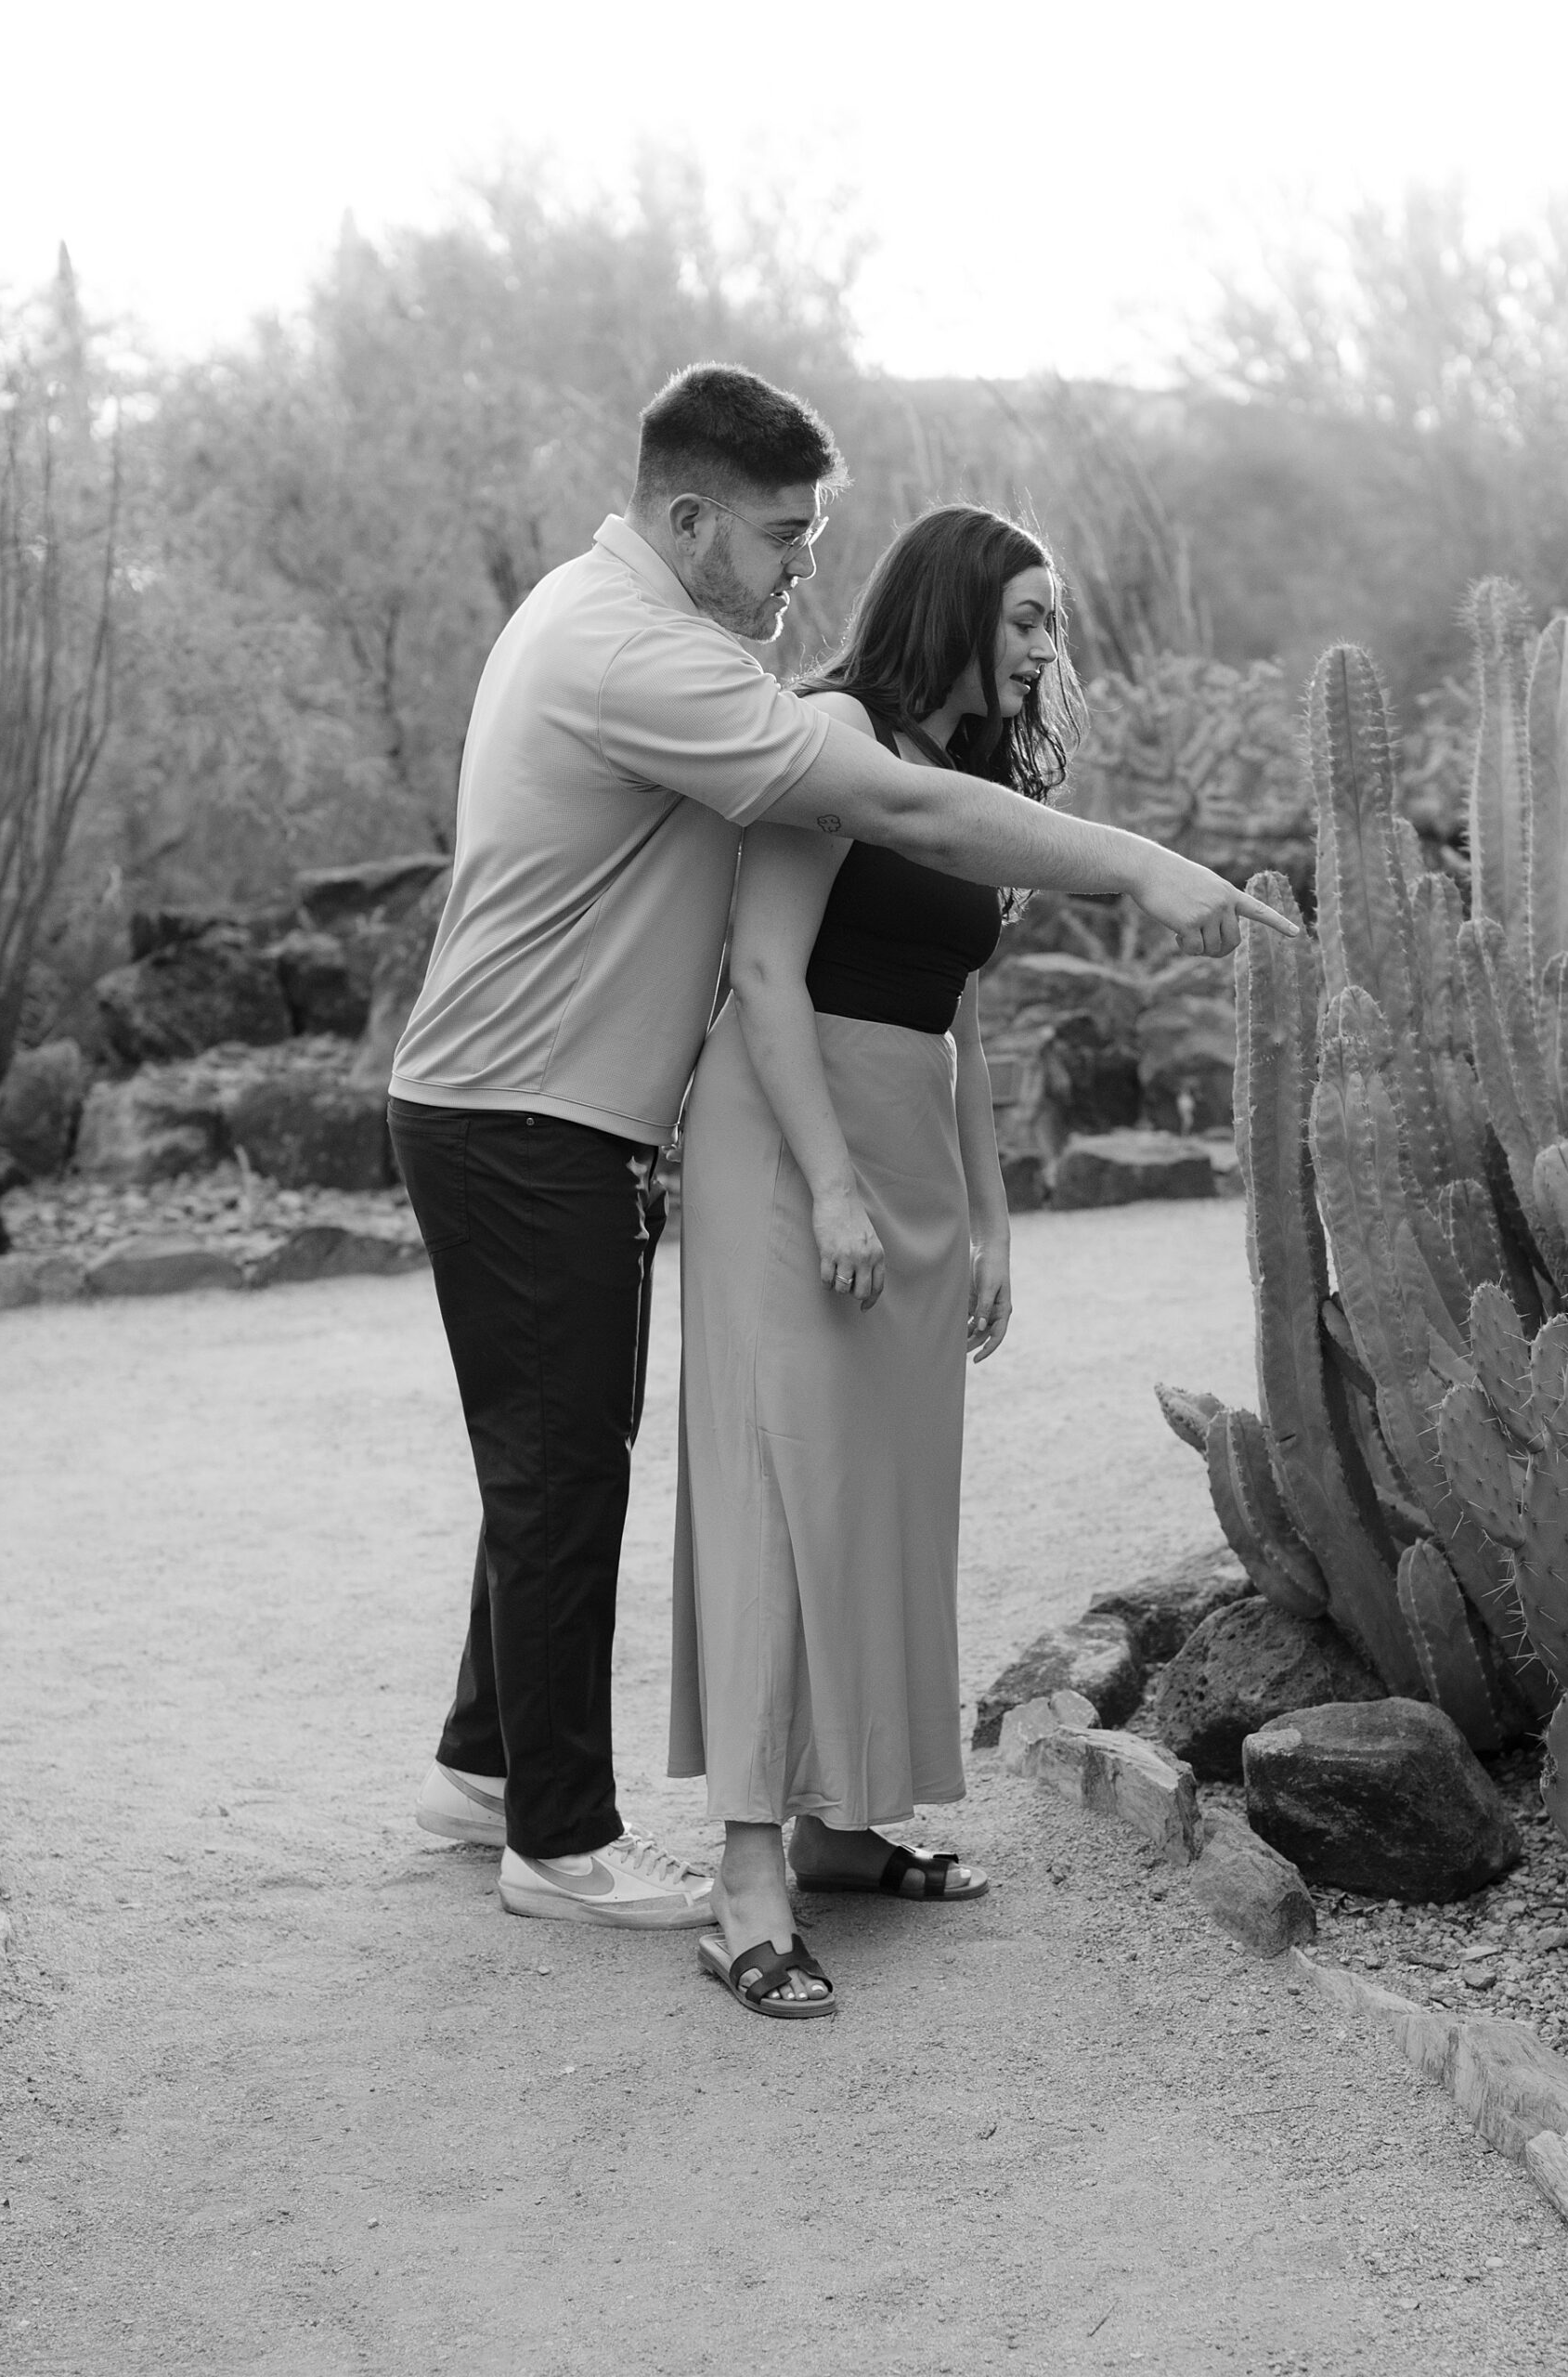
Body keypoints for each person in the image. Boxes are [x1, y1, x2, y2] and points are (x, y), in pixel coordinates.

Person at [391, 362, 1294, 1934]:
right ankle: (560, 1839)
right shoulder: (634, 652)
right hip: (521, 1109)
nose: (806, 568)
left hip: (544, 1108)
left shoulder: (622, 622)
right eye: (783, 538)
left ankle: (483, 1767)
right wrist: (1143, 870)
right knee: (556, 1468)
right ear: (688, 519)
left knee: (558, 1449)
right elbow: (902, 810)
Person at [671, 506, 1065, 2016]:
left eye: (1052, 623)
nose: (1046, 649)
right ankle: (748, 1878)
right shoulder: (826, 737)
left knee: (884, 1484)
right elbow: (764, 970)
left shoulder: (966, 785)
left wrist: (991, 1210)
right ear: (957, 611)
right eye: (1025, 618)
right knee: (785, 1487)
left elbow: (957, 1012)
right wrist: (832, 1185)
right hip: (787, 1134)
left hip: (905, 1130)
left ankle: (843, 1826)